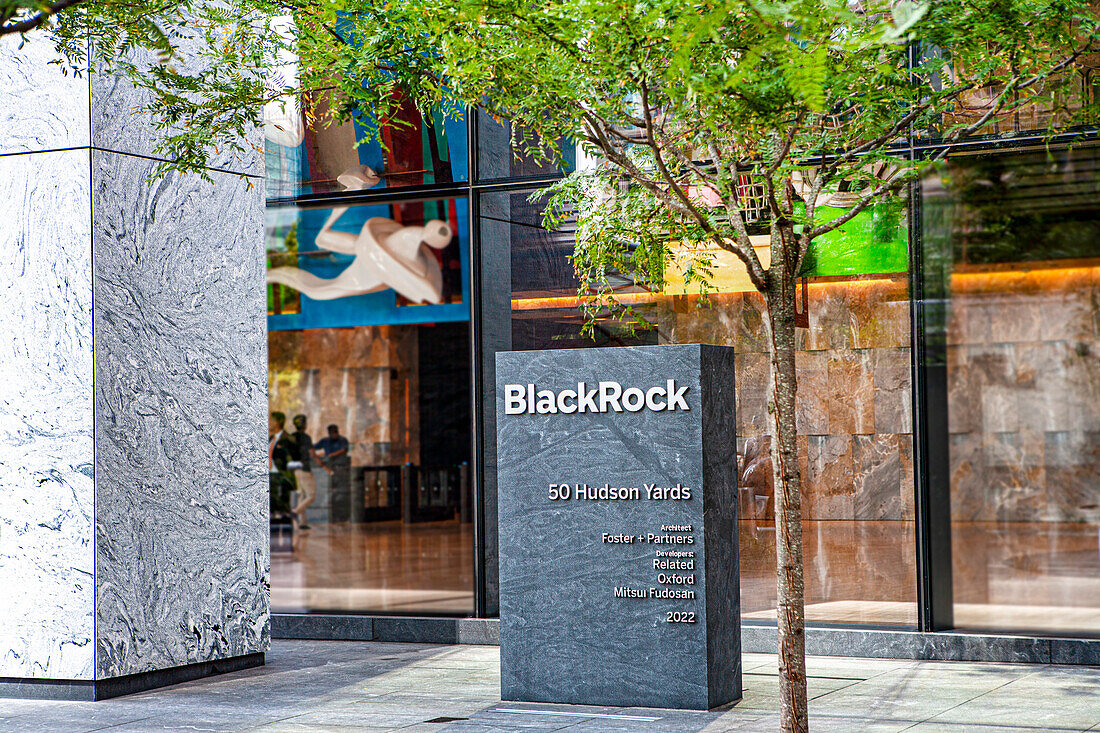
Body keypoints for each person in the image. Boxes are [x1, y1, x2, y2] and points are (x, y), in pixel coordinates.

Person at [268, 412, 299, 520]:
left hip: (281, 474)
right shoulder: (271, 438)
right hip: (270, 474)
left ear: (278, 422)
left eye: (271, 420)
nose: (269, 422)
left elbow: (295, 456)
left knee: (282, 505)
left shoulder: (288, 439)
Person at [290, 414, 316, 530]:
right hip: (305, 469)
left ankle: (303, 522)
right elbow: (312, 454)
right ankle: (295, 512)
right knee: (311, 495)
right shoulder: (306, 438)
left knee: (302, 495)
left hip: (295, 469)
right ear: (304, 424)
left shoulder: (291, 437)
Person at [315, 424, 351, 507]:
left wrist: (333, 455)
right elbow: (314, 447)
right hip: (328, 467)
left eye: (335, 432)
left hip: (340, 467)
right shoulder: (325, 441)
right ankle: (327, 504)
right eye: (332, 433)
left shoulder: (342, 440)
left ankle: (339, 505)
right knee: (327, 486)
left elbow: (344, 450)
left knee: (340, 488)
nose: (334, 434)